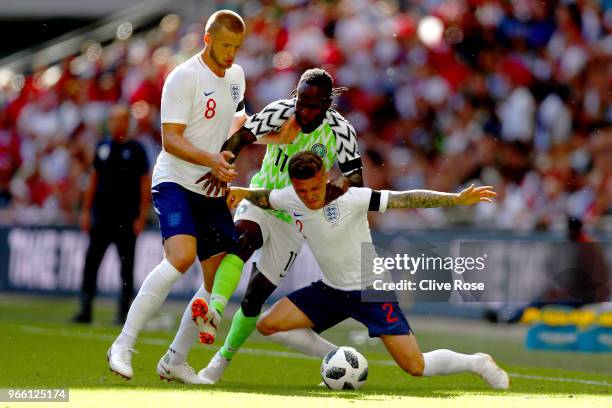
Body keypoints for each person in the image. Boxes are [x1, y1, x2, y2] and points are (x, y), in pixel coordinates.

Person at [224, 151, 509, 390]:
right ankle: (337, 357)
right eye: (302, 190)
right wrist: (241, 193)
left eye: (315, 188)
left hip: (371, 290)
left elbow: (405, 199)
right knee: (266, 324)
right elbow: (265, 197)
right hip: (332, 289)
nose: (309, 196)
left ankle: (476, 362)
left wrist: (455, 199)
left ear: (325, 177)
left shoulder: (353, 198)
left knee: (415, 365)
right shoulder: (290, 198)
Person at [159, 68, 364, 384]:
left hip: (295, 221)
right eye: (301, 102)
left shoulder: (341, 131)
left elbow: (356, 178)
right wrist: (223, 167)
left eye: (314, 106)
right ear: (295, 96)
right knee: (243, 240)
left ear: (327, 104)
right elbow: (240, 137)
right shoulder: (281, 112)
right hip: (260, 200)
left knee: (255, 297)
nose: (305, 112)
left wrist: (329, 191)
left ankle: (220, 361)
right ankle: (213, 311)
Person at [107, 9, 248, 382]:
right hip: (174, 181)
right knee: (182, 257)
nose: (231, 53)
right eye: (224, 45)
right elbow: (170, 139)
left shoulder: (236, 77)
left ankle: (174, 359)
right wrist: (213, 159)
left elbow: (234, 120)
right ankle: (123, 343)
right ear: (207, 40)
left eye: (237, 46)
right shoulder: (184, 77)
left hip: (210, 186)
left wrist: (228, 155)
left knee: (216, 278)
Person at [72, 104, 150, 325]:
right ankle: (85, 309)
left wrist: (142, 216)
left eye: (121, 119)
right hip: (102, 217)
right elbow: (93, 180)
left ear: (128, 122)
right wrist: (86, 211)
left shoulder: (137, 149)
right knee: (91, 263)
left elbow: (145, 184)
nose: (117, 124)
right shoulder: (102, 147)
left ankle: (124, 313)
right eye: (114, 119)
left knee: (126, 268)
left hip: (126, 218)